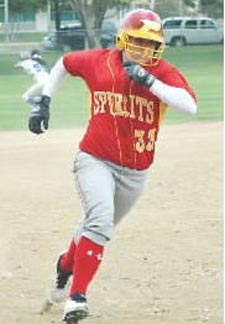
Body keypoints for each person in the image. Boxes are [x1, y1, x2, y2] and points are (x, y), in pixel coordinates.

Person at [28, 9, 197, 324]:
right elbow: (63, 64)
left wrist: (149, 80)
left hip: (136, 173)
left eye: (150, 43)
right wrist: (45, 101)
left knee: (96, 225)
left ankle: (65, 265)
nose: (142, 48)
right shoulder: (99, 60)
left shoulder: (162, 72)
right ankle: (76, 299)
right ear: (123, 38)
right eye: (136, 40)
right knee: (101, 221)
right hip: (95, 158)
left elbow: (189, 105)